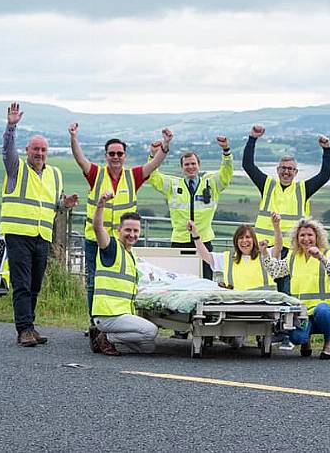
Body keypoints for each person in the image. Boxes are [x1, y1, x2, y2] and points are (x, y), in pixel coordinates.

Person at [69, 123, 172, 312]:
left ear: (125, 156)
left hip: (122, 242)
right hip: (95, 239)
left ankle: (119, 316)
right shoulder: (96, 174)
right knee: (93, 282)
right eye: (112, 153)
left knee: (122, 281)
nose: (116, 157)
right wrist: (74, 137)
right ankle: (95, 323)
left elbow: (154, 164)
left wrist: (165, 145)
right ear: (106, 155)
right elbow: (80, 158)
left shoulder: (133, 176)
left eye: (119, 153)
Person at [1, 102, 79, 347]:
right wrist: (11, 127)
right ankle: (23, 329)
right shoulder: (16, 168)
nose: (40, 153)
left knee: (34, 285)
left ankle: (30, 325)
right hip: (18, 234)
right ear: (27, 150)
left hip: (42, 236)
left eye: (43, 150)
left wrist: (65, 203)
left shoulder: (54, 174)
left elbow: (55, 204)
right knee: (22, 284)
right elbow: (7, 150)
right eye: (36, 149)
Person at [243, 124, 330, 294]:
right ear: (277, 170)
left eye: (290, 169)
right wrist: (252, 138)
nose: (286, 172)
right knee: (266, 288)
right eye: (283, 168)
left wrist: (327, 150)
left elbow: (324, 175)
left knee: (287, 291)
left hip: (292, 249)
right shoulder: (267, 185)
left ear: (296, 172)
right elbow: (248, 165)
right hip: (267, 248)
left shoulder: (303, 189)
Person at [149, 136, 234, 279]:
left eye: (193, 164)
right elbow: (153, 176)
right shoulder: (173, 185)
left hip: (204, 241)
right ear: (182, 167)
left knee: (205, 281)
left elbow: (226, 172)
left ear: (199, 165)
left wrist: (226, 151)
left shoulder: (211, 184)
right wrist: (152, 154)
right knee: (178, 281)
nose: (190, 167)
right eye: (186, 164)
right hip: (180, 241)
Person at [265, 214, 330, 360]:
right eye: (302, 235)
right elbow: (274, 271)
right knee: (296, 338)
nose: (306, 239)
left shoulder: (328, 254)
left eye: (310, 235)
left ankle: (328, 343)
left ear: (317, 237)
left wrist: (321, 257)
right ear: (297, 238)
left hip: (326, 311)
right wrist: (265, 252)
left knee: (323, 311)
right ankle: (305, 340)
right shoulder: (293, 256)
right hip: (302, 313)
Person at [88, 191, 158, 356]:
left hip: (123, 315)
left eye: (136, 231)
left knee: (148, 348)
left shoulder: (131, 255)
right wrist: (101, 205)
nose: (132, 234)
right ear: (119, 229)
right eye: (128, 230)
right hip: (108, 315)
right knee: (151, 331)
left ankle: (105, 341)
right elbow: (97, 227)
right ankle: (107, 338)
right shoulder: (111, 247)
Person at [186, 220, 276, 291]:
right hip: (236, 305)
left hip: (264, 304)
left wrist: (277, 226)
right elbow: (206, 256)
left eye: (248, 237)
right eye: (241, 238)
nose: (244, 241)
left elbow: (279, 247)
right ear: (236, 242)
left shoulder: (265, 254)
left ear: (254, 240)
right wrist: (195, 235)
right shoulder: (228, 258)